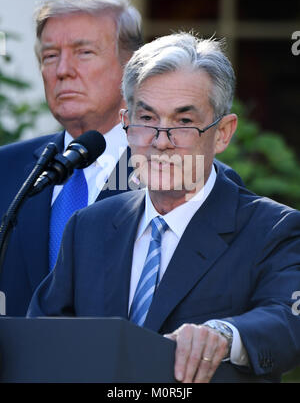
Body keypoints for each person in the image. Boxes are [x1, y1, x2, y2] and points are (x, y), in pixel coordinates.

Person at [27, 32, 300, 383]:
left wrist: (224, 334)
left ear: (222, 133)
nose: (160, 141)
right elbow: (43, 337)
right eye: (148, 119)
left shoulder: (272, 228)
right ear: (126, 125)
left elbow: (287, 318)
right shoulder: (89, 226)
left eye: (184, 123)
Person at [0, 0, 143, 316]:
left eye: (84, 52)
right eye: (50, 56)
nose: (63, 70)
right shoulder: (5, 169)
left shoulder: (172, 172)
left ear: (132, 65)